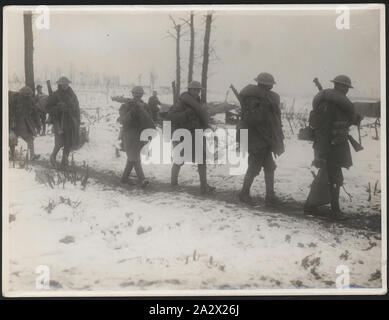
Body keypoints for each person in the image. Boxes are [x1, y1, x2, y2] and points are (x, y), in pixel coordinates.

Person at [304, 75, 361, 220]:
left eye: (347, 87)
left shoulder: (338, 104)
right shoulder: (328, 105)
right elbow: (323, 130)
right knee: (333, 178)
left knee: (330, 177)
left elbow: (340, 121)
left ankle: (312, 206)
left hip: (336, 146)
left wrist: (355, 119)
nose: (346, 89)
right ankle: (332, 210)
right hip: (329, 147)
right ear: (337, 86)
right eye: (343, 86)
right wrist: (322, 154)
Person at [238, 73, 285, 206]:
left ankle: (270, 196)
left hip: (265, 139)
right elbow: (253, 119)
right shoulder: (252, 99)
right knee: (254, 167)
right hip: (256, 139)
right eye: (270, 85)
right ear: (265, 85)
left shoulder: (266, 98)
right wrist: (264, 107)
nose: (271, 87)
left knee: (270, 167)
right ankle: (244, 194)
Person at [166, 80, 215, 195]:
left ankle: (204, 186)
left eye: (198, 90)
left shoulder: (197, 102)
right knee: (179, 158)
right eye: (194, 90)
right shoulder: (181, 102)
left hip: (195, 133)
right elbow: (171, 116)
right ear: (189, 90)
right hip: (182, 134)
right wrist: (185, 114)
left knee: (201, 159)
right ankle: (173, 183)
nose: (197, 92)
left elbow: (199, 118)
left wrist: (206, 126)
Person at [118, 86, 155, 187]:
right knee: (135, 157)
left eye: (140, 94)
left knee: (132, 157)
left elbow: (150, 119)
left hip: (141, 134)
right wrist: (133, 110)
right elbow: (123, 120)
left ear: (142, 95)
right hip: (129, 133)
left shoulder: (145, 106)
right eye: (136, 93)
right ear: (132, 94)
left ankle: (124, 179)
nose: (138, 95)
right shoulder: (126, 105)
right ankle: (142, 179)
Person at [46, 76, 80, 169]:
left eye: (66, 84)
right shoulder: (55, 95)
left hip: (70, 122)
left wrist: (77, 119)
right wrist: (58, 108)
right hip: (59, 122)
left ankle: (64, 162)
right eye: (63, 84)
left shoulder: (72, 95)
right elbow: (47, 107)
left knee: (69, 142)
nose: (65, 86)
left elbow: (77, 108)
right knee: (59, 142)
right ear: (59, 85)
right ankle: (53, 157)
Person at [10, 86, 41, 160]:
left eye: (29, 94)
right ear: (22, 93)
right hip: (15, 124)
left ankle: (32, 155)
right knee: (12, 139)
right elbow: (10, 112)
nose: (28, 96)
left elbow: (35, 113)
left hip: (25, 124)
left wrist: (38, 125)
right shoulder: (15, 99)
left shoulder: (30, 100)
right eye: (27, 94)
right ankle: (13, 154)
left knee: (29, 139)